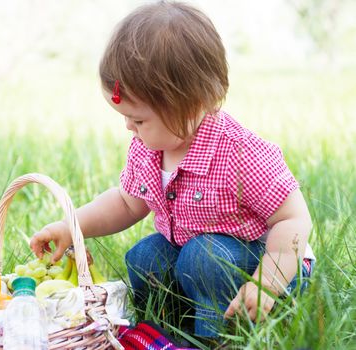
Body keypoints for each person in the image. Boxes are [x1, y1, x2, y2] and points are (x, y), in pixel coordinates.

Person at [30, 0, 315, 342]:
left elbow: (294, 219)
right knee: (145, 256)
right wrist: (72, 225)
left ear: (191, 104)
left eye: (138, 119)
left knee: (204, 257)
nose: (128, 128)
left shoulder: (240, 154)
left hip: (267, 266)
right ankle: (163, 332)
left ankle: (218, 337)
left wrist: (267, 281)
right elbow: (125, 203)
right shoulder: (149, 148)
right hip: (196, 260)